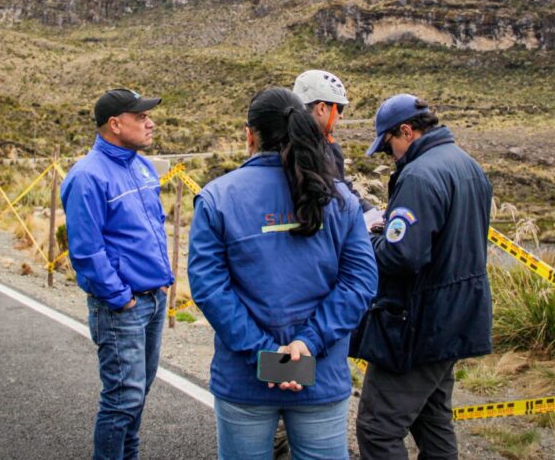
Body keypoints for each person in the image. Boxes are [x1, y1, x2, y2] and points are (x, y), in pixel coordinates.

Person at [188, 87, 377, 460]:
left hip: (245, 380)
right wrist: (308, 343)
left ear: (249, 134)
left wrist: (266, 354)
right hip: (319, 377)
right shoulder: (340, 198)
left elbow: (210, 288)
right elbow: (360, 282)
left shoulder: (217, 198)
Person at [351, 94, 493, 459]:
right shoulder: (468, 165)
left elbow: (403, 255)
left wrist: (369, 240)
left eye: (389, 147)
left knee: (378, 427)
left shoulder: (418, 174)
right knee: (433, 421)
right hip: (456, 318)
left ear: (406, 131)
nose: (391, 155)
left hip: (419, 324)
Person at [61, 88, 174, 460]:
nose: (149, 121)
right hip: (123, 306)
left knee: (137, 395)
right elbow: (86, 250)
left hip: (153, 300)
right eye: (140, 117)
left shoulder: (141, 165)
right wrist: (119, 296)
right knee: (122, 399)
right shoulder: (87, 177)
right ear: (115, 123)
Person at [292, 69, 375, 212]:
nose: (341, 116)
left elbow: (341, 187)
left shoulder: (279, 141)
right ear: (322, 108)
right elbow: (339, 194)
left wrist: (372, 212)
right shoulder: (327, 150)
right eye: (340, 108)